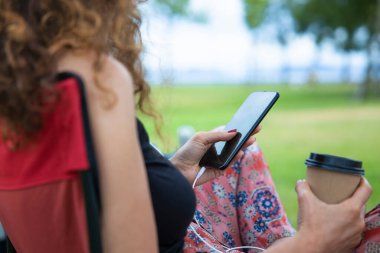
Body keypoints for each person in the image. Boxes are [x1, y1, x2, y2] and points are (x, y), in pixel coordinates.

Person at [0, 1, 373, 253]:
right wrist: (313, 244)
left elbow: (83, 199)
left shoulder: (16, 88)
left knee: (241, 156)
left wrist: (173, 169)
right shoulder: (94, 80)